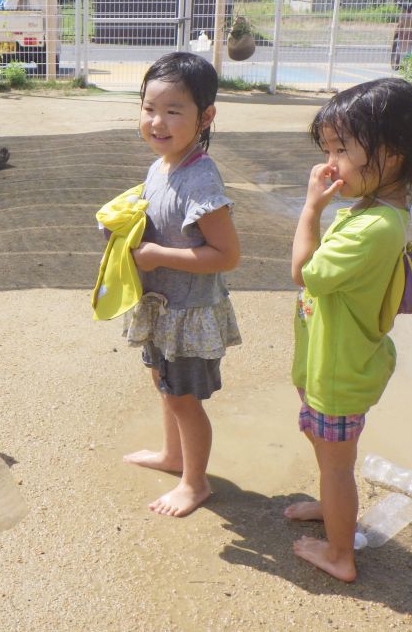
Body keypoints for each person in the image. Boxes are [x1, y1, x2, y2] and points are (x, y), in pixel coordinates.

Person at [286, 78, 412, 582]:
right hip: (335, 362)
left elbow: (304, 272)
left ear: (391, 155)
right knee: (328, 454)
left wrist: (311, 209)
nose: (329, 163)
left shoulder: (374, 227)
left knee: (336, 465)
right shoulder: (377, 210)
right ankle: (334, 511)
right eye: (327, 148)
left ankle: (339, 554)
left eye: (342, 149)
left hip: (338, 371)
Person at [120, 52, 242, 517]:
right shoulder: (162, 164)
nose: (158, 121)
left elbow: (226, 255)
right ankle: (173, 457)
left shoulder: (201, 179)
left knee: (185, 399)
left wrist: (155, 255)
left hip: (189, 313)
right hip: (161, 306)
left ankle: (195, 483)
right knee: (164, 384)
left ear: (206, 116)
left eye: (174, 111)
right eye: (150, 108)